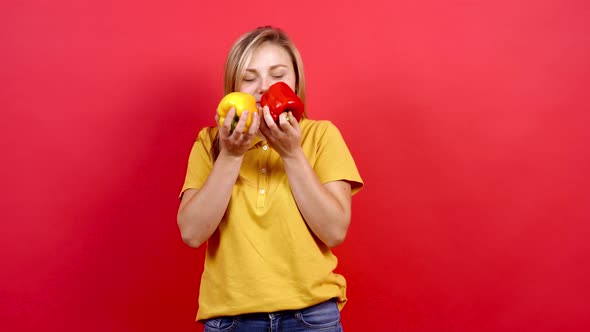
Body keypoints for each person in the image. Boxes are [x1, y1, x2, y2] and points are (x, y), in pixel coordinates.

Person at [177, 26, 363, 332]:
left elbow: (334, 231)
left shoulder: (321, 136)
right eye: (250, 78)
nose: (264, 87)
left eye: (278, 74)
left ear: (296, 82)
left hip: (311, 316)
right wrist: (232, 155)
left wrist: (291, 154)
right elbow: (192, 233)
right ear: (234, 88)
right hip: (231, 320)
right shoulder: (210, 142)